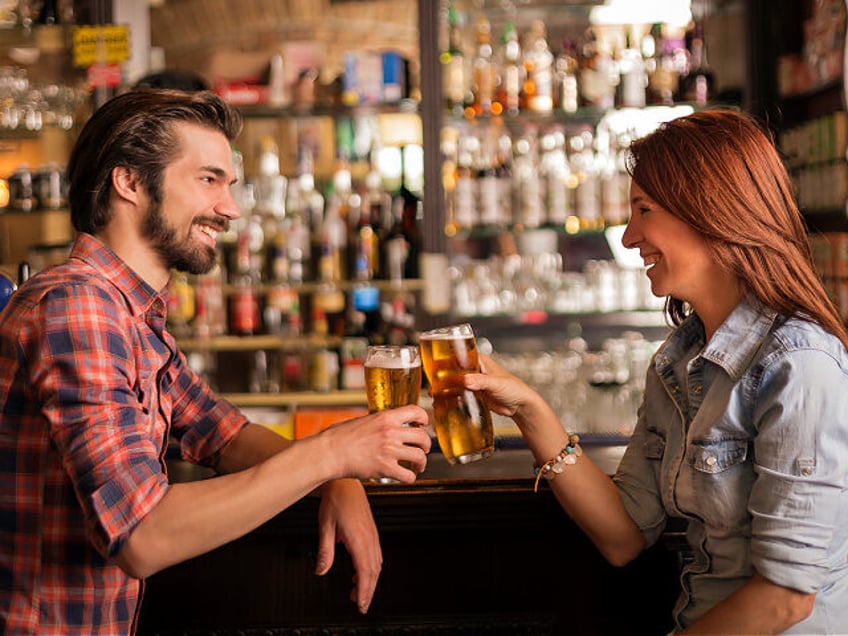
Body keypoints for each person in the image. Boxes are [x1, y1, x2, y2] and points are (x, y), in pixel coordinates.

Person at [0, 89, 431, 634]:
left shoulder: (130, 313)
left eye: (230, 185)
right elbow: (142, 537)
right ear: (129, 181)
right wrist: (329, 455)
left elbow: (222, 434)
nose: (230, 208)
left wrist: (337, 477)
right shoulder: (77, 307)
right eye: (208, 180)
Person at [464, 109, 848, 634]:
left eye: (643, 210)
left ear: (712, 210)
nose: (627, 237)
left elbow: (785, 598)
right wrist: (530, 410)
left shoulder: (798, 364)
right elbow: (623, 535)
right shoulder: (679, 362)